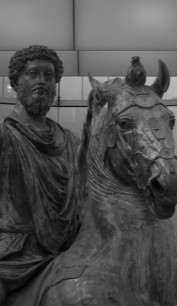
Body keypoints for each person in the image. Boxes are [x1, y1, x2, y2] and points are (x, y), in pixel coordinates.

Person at [0, 45, 81, 305]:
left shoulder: (72, 141)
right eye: (33, 73)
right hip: (13, 252)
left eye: (49, 76)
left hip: (71, 248)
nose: (42, 81)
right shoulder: (4, 137)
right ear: (16, 82)